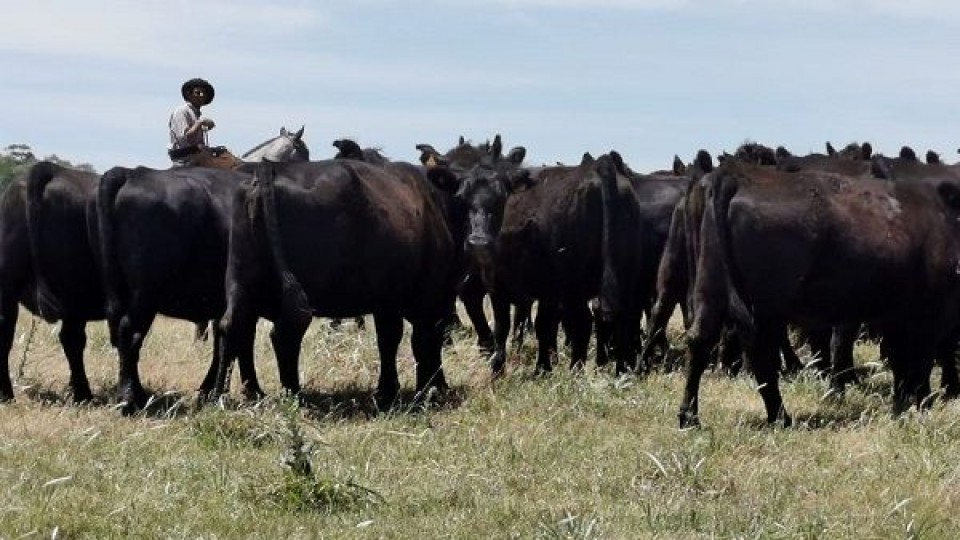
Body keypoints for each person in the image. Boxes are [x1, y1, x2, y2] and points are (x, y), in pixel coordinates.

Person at [167, 78, 216, 166]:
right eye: (198, 93)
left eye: (204, 93)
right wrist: (200, 123)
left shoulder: (196, 114)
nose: (201, 95)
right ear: (189, 94)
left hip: (198, 154)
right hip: (185, 158)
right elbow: (184, 139)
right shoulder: (182, 111)